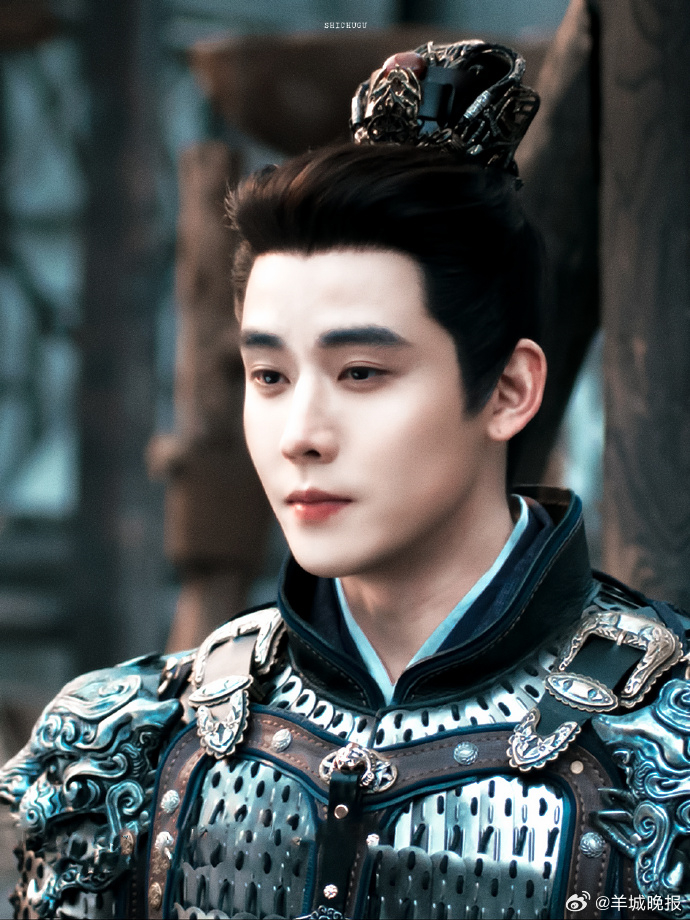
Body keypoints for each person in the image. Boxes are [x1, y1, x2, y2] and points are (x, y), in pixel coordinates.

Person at [1, 40, 689, 920]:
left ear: (509, 390)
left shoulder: (667, 741)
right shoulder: (131, 742)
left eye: (361, 372)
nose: (301, 435)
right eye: (269, 376)